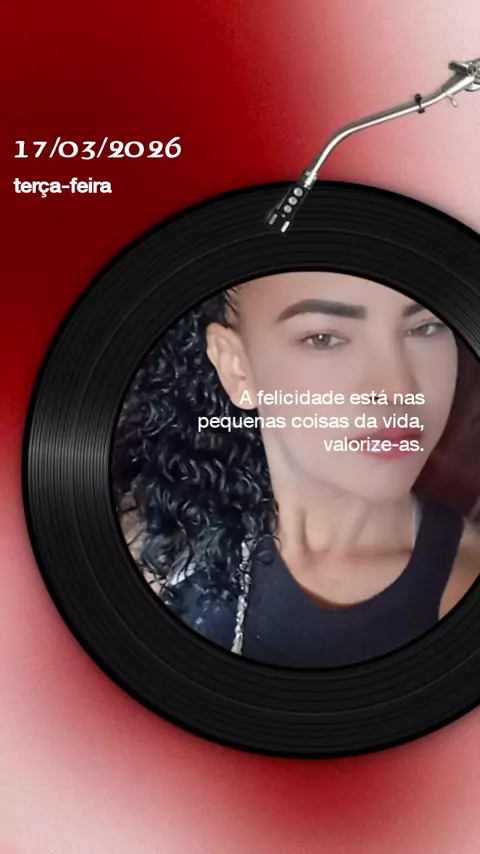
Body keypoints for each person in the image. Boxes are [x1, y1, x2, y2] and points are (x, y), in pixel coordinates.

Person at [112, 272, 480, 667]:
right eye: (324, 338)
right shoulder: (155, 545)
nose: (398, 391)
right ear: (237, 367)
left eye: (425, 327)